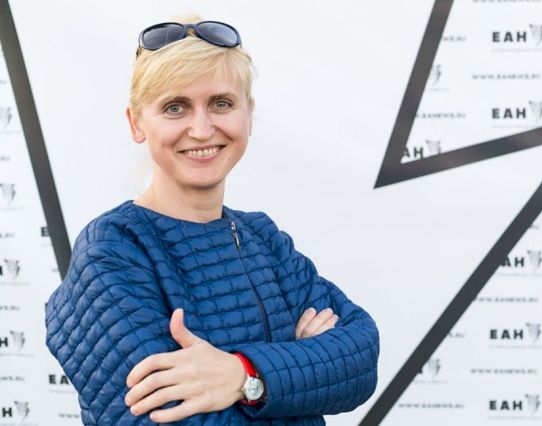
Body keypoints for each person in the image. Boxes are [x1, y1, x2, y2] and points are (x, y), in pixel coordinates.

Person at [45, 14, 379, 425]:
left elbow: (361, 356)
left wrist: (243, 375)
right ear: (136, 122)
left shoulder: (263, 238)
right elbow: (167, 418)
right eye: (175, 107)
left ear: (248, 115)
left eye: (221, 103)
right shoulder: (114, 250)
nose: (202, 130)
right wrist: (297, 377)